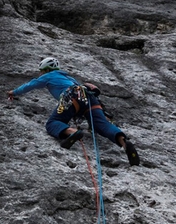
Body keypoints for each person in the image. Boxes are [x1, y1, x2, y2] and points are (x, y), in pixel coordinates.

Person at [8, 56, 140, 166]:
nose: (41, 74)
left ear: (47, 69)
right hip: (89, 97)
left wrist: (14, 92)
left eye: (42, 71)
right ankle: (123, 141)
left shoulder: (48, 76)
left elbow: (30, 85)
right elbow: (82, 95)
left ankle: (72, 132)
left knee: (54, 122)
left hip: (71, 96)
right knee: (102, 125)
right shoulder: (70, 78)